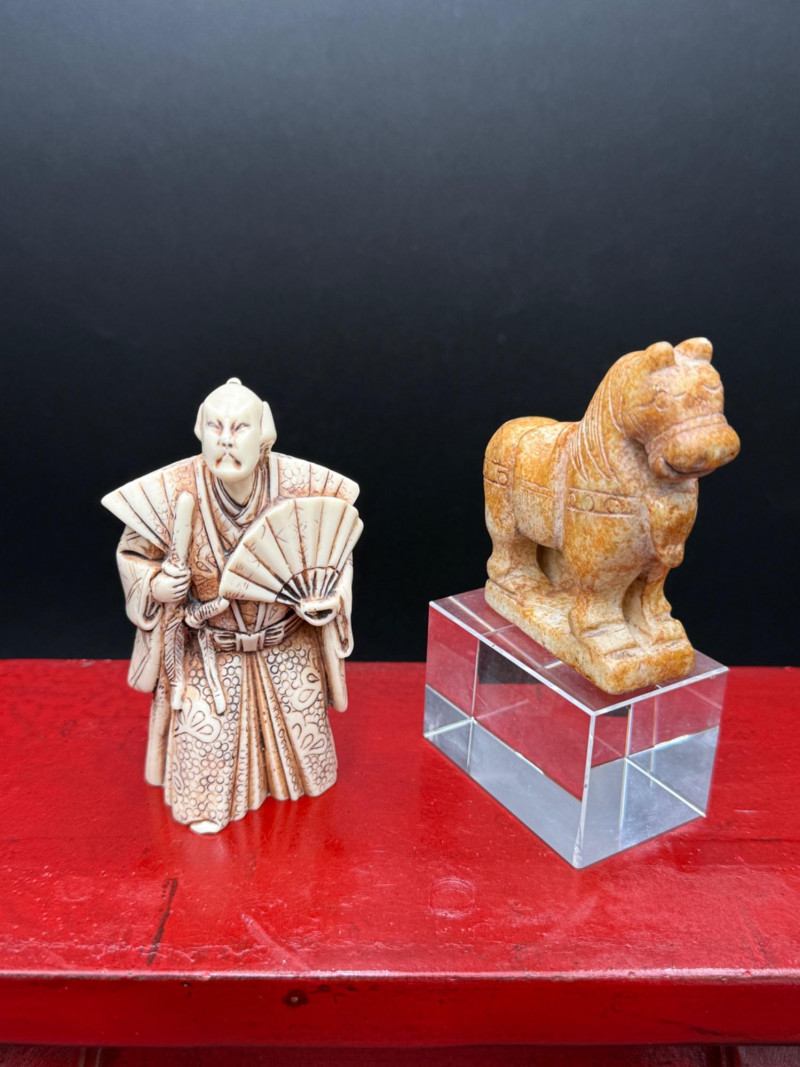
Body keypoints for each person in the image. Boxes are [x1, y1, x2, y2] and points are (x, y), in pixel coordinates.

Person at [102, 378, 359, 834]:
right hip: (210, 653)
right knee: (204, 751)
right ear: (199, 432)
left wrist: (331, 601)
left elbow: (336, 553)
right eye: (215, 427)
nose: (225, 439)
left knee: (312, 762)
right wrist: (157, 585)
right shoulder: (171, 493)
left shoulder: (300, 485)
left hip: (285, 644)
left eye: (239, 427)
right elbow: (134, 556)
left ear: (264, 436)